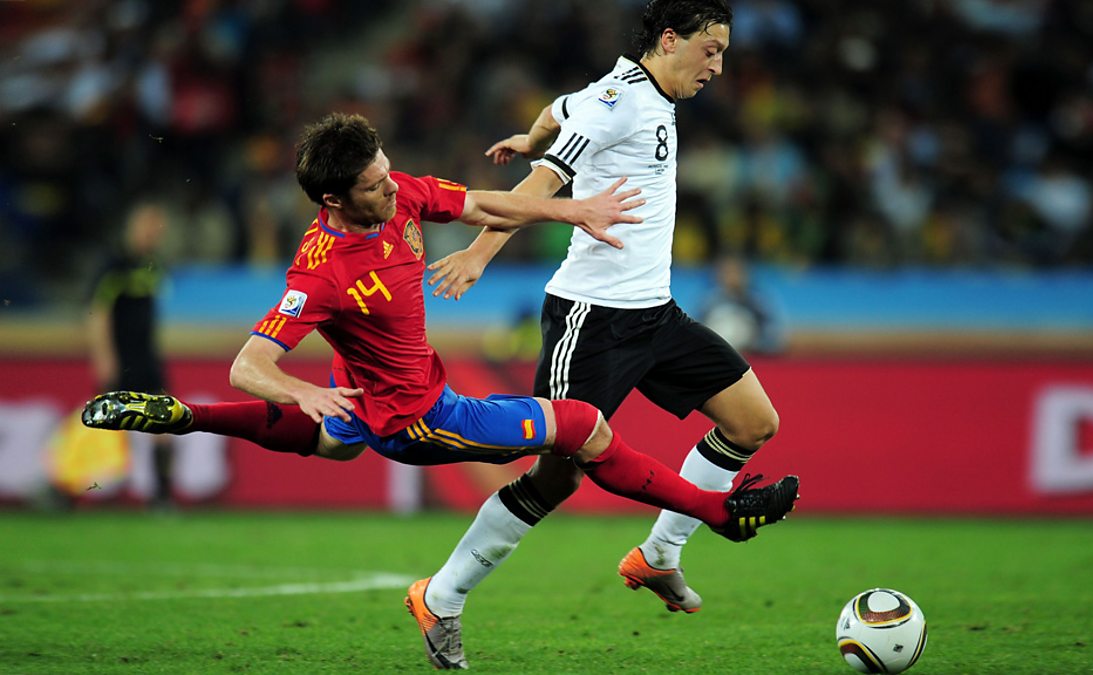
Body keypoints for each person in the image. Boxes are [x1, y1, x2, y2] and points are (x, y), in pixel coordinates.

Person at [80, 112, 799, 669]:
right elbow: (249, 363)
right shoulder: (321, 272)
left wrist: (571, 211)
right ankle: (718, 511)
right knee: (583, 428)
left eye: (388, 171)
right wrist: (299, 390)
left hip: (370, 390)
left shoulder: (398, 196)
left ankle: (184, 417)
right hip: (417, 417)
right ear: (334, 198)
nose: (392, 187)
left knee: (333, 442)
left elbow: (482, 203)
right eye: (374, 184)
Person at [419, 0, 783, 658]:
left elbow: (555, 117)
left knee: (753, 421)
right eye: (711, 50)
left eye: (723, 53)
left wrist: (530, 135)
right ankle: (442, 593)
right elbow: (543, 181)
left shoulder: (622, 92)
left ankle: (658, 553)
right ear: (671, 39)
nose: (718, 67)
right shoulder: (620, 101)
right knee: (557, 474)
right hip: (591, 319)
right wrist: (477, 253)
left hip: (656, 314)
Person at [85, 201, 176, 509]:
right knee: (99, 426)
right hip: (121, 358)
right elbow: (98, 313)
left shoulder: (153, 266)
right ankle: (61, 483)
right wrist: (105, 357)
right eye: (147, 226)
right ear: (132, 227)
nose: (152, 233)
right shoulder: (114, 266)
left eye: (156, 227)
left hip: (147, 359)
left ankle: (161, 497)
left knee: (162, 425)